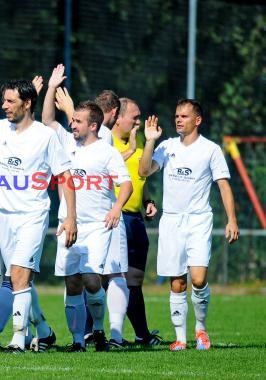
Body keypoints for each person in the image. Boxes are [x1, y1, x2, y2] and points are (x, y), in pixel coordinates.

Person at [0, 73, 77, 353]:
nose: (5, 105)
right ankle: (41, 331)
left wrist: (71, 217)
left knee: (19, 275)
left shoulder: (45, 136)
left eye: (11, 101)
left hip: (33, 214)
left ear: (27, 103)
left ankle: (17, 340)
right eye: (4, 100)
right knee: (17, 279)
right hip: (3, 217)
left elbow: (65, 176)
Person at [42, 67, 132, 352]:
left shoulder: (106, 151)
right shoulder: (65, 143)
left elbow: (126, 183)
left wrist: (117, 207)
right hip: (68, 224)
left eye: (78, 121)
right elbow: (46, 119)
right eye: (73, 120)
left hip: (96, 226)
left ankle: (100, 331)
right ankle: (78, 341)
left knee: (92, 279)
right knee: (72, 283)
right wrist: (51, 87)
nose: (73, 125)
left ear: (94, 125)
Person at [138, 98, 239, 351]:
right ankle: (181, 338)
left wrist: (232, 220)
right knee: (177, 282)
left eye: (183, 116)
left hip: (198, 220)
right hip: (171, 219)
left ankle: (201, 329)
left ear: (198, 120)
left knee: (198, 278)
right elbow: (143, 171)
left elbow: (224, 186)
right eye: (176, 116)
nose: (178, 120)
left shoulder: (210, 149)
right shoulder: (167, 146)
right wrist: (149, 140)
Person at [111, 97, 162, 346]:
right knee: (104, 279)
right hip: (114, 218)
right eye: (135, 116)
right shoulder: (102, 139)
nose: (139, 121)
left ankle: (142, 335)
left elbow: (142, 172)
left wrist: (147, 200)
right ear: (118, 117)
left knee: (134, 281)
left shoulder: (139, 138)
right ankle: (95, 333)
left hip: (135, 220)